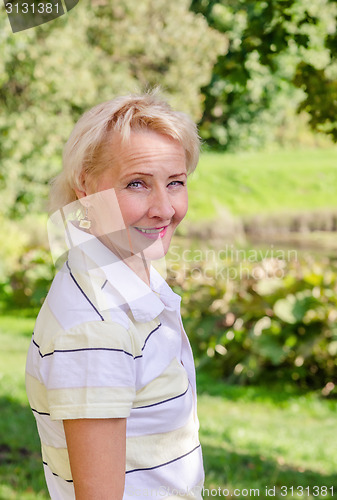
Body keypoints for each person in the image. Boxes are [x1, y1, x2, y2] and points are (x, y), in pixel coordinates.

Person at [25, 91, 205, 500]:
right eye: (137, 184)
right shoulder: (96, 329)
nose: (164, 209)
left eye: (175, 182)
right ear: (86, 185)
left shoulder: (122, 278)